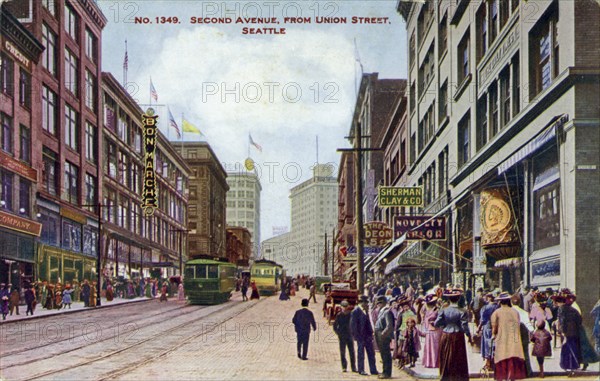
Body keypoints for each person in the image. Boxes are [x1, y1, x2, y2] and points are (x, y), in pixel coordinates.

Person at [434, 289, 472, 381]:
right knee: (458, 357)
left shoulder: (444, 310)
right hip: (457, 335)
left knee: (446, 355)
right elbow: (464, 325)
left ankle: (446, 376)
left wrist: (445, 325)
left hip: (446, 334)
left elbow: (436, 323)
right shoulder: (462, 311)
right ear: (458, 299)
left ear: (449, 299)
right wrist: (468, 335)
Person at [554, 291, 582, 375]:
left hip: (567, 331)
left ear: (559, 302)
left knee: (566, 349)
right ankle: (574, 366)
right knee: (573, 347)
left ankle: (567, 366)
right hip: (575, 331)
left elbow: (562, 321)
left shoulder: (561, 309)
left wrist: (562, 332)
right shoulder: (573, 309)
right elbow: (579, 320)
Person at [351, 295, 379, 376]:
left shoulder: (365, 311)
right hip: (360, 336)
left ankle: (373, 370)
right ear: (361, 303)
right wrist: (356, 336)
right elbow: (353, 326)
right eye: (366, 302)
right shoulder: (355, 311)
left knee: (371, 353)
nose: (367, 304)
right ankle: (361, 369)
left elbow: (368, 323)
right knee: (361, 354)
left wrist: (371, 333)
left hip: (367, 336)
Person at [333, 300, 356, 373]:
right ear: (341, 307)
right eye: (344, 307)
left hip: (349, 335)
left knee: (352, 352)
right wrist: (338, 333)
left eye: (346, 306)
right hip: (342, 336)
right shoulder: (339, 315)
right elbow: (335, 326)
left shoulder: (351, 314)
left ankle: (353, 367)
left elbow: (354, 325)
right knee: (342, 352)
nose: (345, 308)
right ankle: (344, 367)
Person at [374, 295, 394, 379]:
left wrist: (383, 334)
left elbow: (389, 325)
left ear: (385, 302)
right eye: (377, 303)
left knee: (386, 354)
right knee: (383, 354)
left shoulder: (387, 311)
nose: (379, 304)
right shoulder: (381, 311)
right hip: (379, 333)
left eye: (381, 303)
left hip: (383, 335)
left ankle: (387, 373)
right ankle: (384, 371)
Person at [422, 294, 442, 368]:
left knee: (435, 347)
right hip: (429, 331)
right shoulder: (427, 311)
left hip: (436, 330)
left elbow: (440, 320)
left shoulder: (437, 310)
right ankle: (429, 362)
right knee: (429, 347)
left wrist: (434, 322)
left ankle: (435, 363)